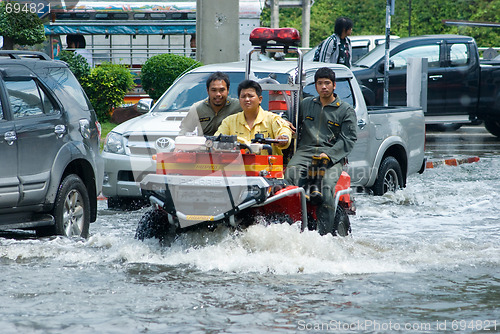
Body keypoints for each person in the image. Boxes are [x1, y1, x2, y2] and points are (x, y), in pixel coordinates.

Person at [284, 67, 357, 235]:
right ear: (315, 86)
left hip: (331, 155)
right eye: (319, 83)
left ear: (334, 85)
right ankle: (292, 229)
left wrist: (330, 155)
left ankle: (324, 235)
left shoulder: (345, 110)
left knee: (326, 189)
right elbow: (289, 118)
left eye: (327, 83)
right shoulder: (306, 104)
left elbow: (349, 139)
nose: (323, 87)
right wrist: (285, 123)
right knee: (290, 177)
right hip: (305, 151)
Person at [215, 79, 292, 156]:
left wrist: (283, 138)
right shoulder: (229, 121)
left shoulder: (272, 119)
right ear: (239, 100)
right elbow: (216, 140)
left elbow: (284, 130)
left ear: (260, 99)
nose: (247, 99)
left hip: (268, 166)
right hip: (236, 166)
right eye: (243, 96)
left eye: (250, 96)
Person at [179, 71, 242, 136]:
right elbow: (185, 129)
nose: (218, 94)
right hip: (204, 145)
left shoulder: (239, 106)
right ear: (207, 90)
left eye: (222, 90)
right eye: (214, 90)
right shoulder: (197, 108)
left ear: (228, 90)